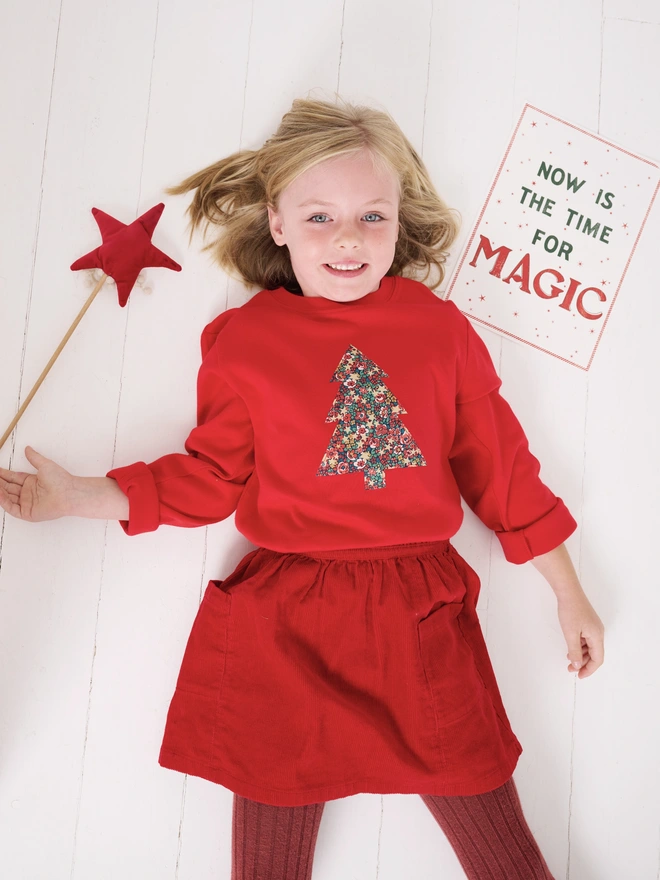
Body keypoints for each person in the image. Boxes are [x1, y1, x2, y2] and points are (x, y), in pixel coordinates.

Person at [0, 94, 604, 880]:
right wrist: (81, 495)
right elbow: (211, 476)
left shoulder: (439, 330)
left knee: (503, 847)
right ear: (278, 224)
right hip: (287, 620)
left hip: (417, 608)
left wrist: (568, 591)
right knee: (269, 864)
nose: (347, 238)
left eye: (371, 217)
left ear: (398, 221)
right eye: (319, 217)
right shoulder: (244, 341)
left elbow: (503, 470)